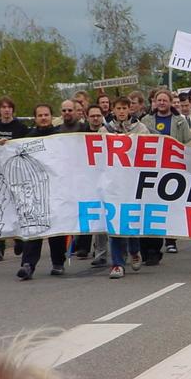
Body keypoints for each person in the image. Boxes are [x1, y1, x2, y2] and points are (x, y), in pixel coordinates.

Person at [141, 89, 191, 260]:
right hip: (151, 168)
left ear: (171, 102)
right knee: (152, 206)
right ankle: (151, 247)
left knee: (170, 205)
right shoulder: (146, 121)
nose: (162, 103)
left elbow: (188, 142)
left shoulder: (180, 121)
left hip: (172, 168)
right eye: (159, 100)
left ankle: (171, 240)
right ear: (155, 102)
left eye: (165, 100)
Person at [100, 97, 148, 279]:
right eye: (118, 108)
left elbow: (149, 150)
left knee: (131, 220)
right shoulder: (104, 130)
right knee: (114, 223)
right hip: (112, 183)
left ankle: (134, 250)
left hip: (132, 182)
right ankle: (117, 264)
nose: (121, 111)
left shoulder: (141, 129)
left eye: (124, 108)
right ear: (113, 110)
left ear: (129, 109)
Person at [16, 104, 64, 280]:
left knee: (57, 228)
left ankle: (58, 262)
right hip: (35, 190)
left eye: (46, 114)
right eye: (40, 115)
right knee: (33, 227)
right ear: (35, 118)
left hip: (56, 189)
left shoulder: (60, 137)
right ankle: (28, 265)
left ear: (52, 116)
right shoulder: (27, 138)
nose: (43, 118)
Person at [0, 96, 29, 261]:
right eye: (3, 107)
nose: (6, 110)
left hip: (18, 174)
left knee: (18, 209)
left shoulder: (21, 128)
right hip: (0, 176)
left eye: (9, 107)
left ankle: (19, 240)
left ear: (13, 109)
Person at [75, 105, 108, 265]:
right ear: (87, 117)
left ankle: (121, 251)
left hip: (107, 179)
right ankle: (97, 252)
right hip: (88, 181)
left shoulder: (109, 133)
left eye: (98, 115)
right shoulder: (79, 135)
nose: (95, 118)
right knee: (94, 215)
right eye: (92, 116)